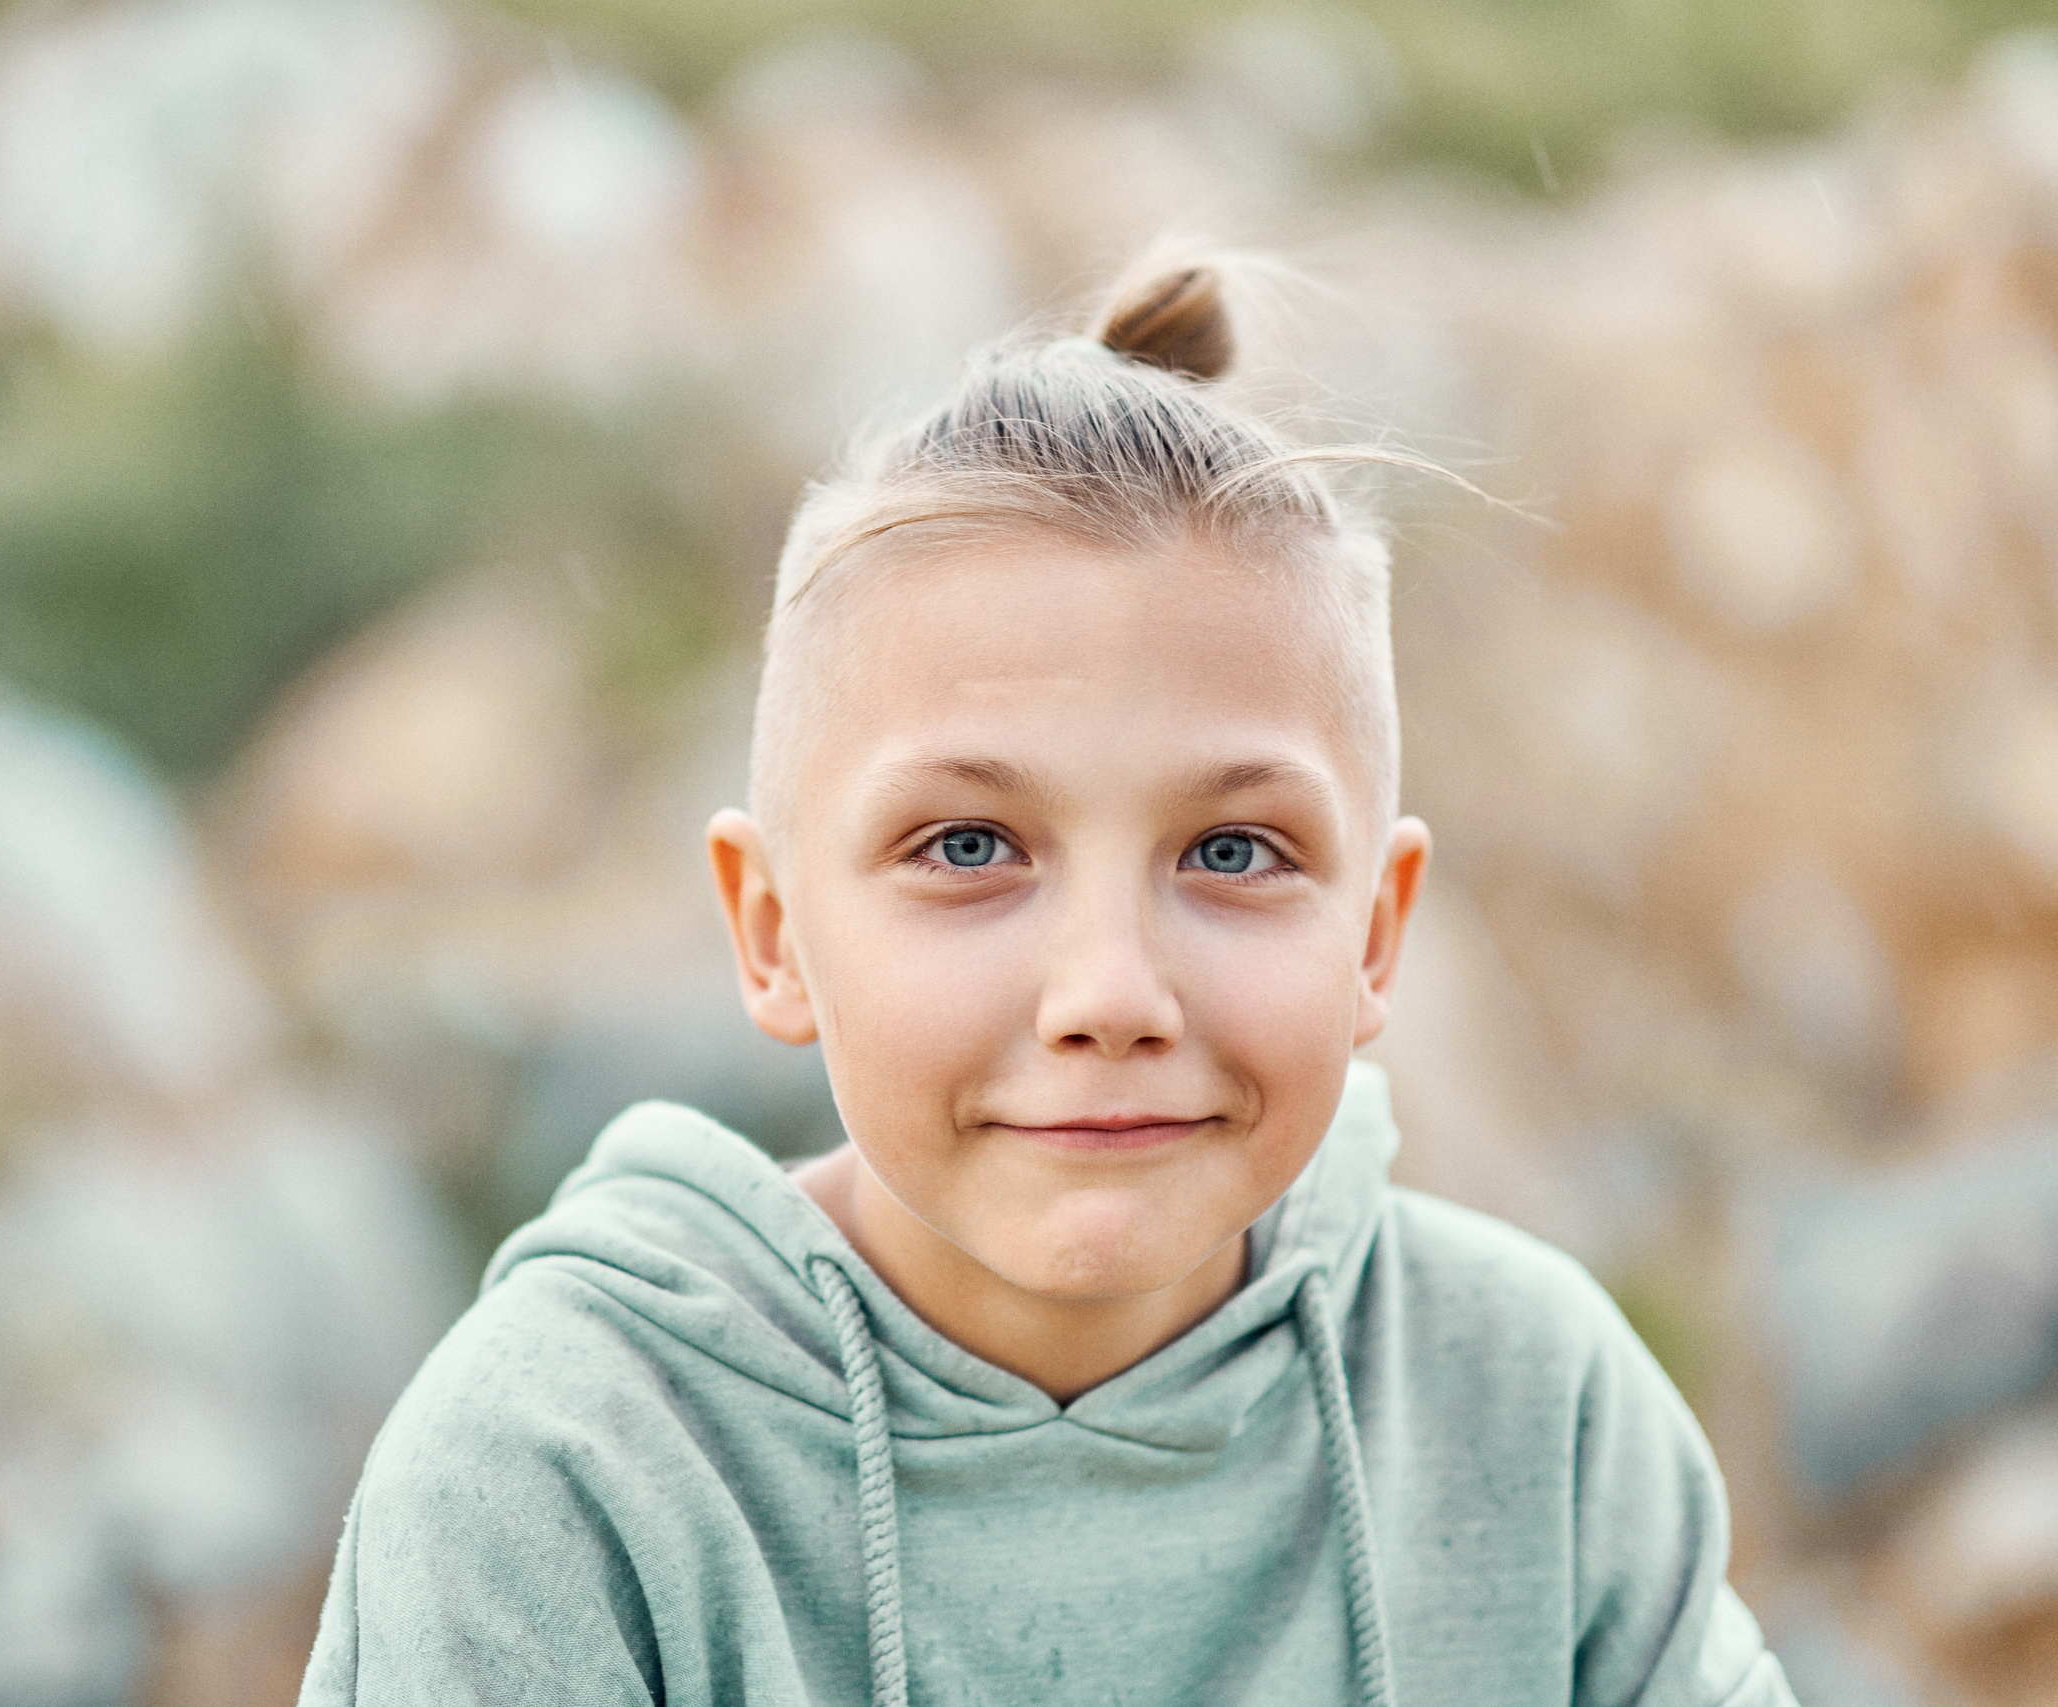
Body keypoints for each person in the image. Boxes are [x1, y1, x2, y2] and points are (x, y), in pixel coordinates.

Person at [297, 250, 1798, 1707]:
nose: (1110, 994)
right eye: (968, 846)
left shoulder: (1532, 1410)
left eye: (1232, 852)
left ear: (1374, 938)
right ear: (772, 931)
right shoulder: (559, 1471)